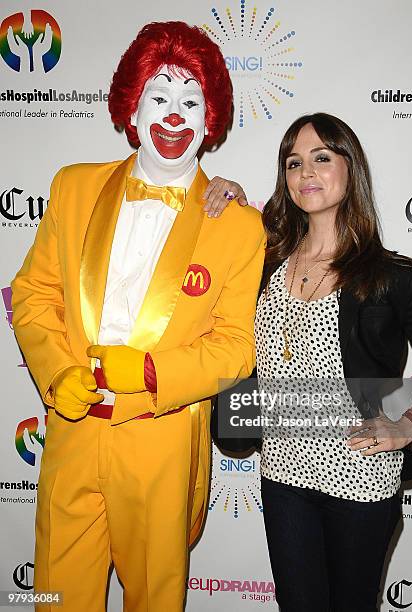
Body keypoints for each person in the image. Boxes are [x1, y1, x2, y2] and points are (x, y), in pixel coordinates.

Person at [11, 21, 265, 612]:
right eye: (159, 96)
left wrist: (149, 374)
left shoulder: (239, 225)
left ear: (211, 119)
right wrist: (54, 373)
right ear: (131, 105)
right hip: (71, 433)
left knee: (154, 597)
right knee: (53, 594)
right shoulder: (72, 188)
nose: (174, 116)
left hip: (162, 441)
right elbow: (31, 293)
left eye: (190, 101)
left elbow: (234, 348)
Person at [204, 112, 412, 612]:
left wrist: (409, 425)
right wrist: (231, 197)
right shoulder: (264, 260)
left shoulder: (388, 276)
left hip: (361, 480)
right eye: (293, 163)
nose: (307, 173)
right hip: (282, 476)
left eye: (322, 158)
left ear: (352, 169)